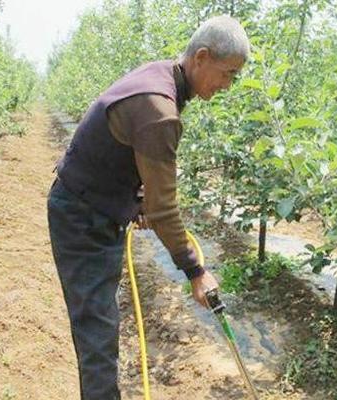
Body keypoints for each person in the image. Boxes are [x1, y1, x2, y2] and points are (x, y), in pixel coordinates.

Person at [46, 15, 249, 400]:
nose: (227, 85)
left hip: (91, 205)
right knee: (97, 332)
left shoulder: (160, 77)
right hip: (82, 218)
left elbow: (128, 156)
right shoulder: (159, 109)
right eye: (227, 74)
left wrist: (131, 198)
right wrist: (195, 271)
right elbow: (165, 209)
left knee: (100, 325)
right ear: (201, 57)